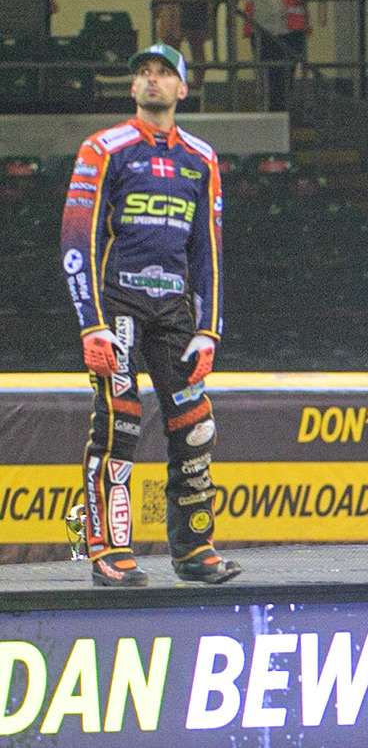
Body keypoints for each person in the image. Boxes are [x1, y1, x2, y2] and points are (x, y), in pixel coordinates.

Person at [60, 43, 240, 587]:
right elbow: (76, 239)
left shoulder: (202, 157)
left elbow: (207, 249)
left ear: (184, 88)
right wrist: (89, 320)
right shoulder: (103, 148)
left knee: (194, 424)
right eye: (144, 73)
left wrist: (209, 330)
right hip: (117, 306)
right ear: (132, 87)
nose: (153, 81)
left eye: (164, 74)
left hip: (175, 312)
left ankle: (194, 550)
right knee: (121, 420)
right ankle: (108, 551)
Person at [227, 0, 317, 113]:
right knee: (267, 75)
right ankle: (271, 112)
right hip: (262, 32)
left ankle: (284, 111)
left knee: (287, 74)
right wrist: (229, 1)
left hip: (289, 30)